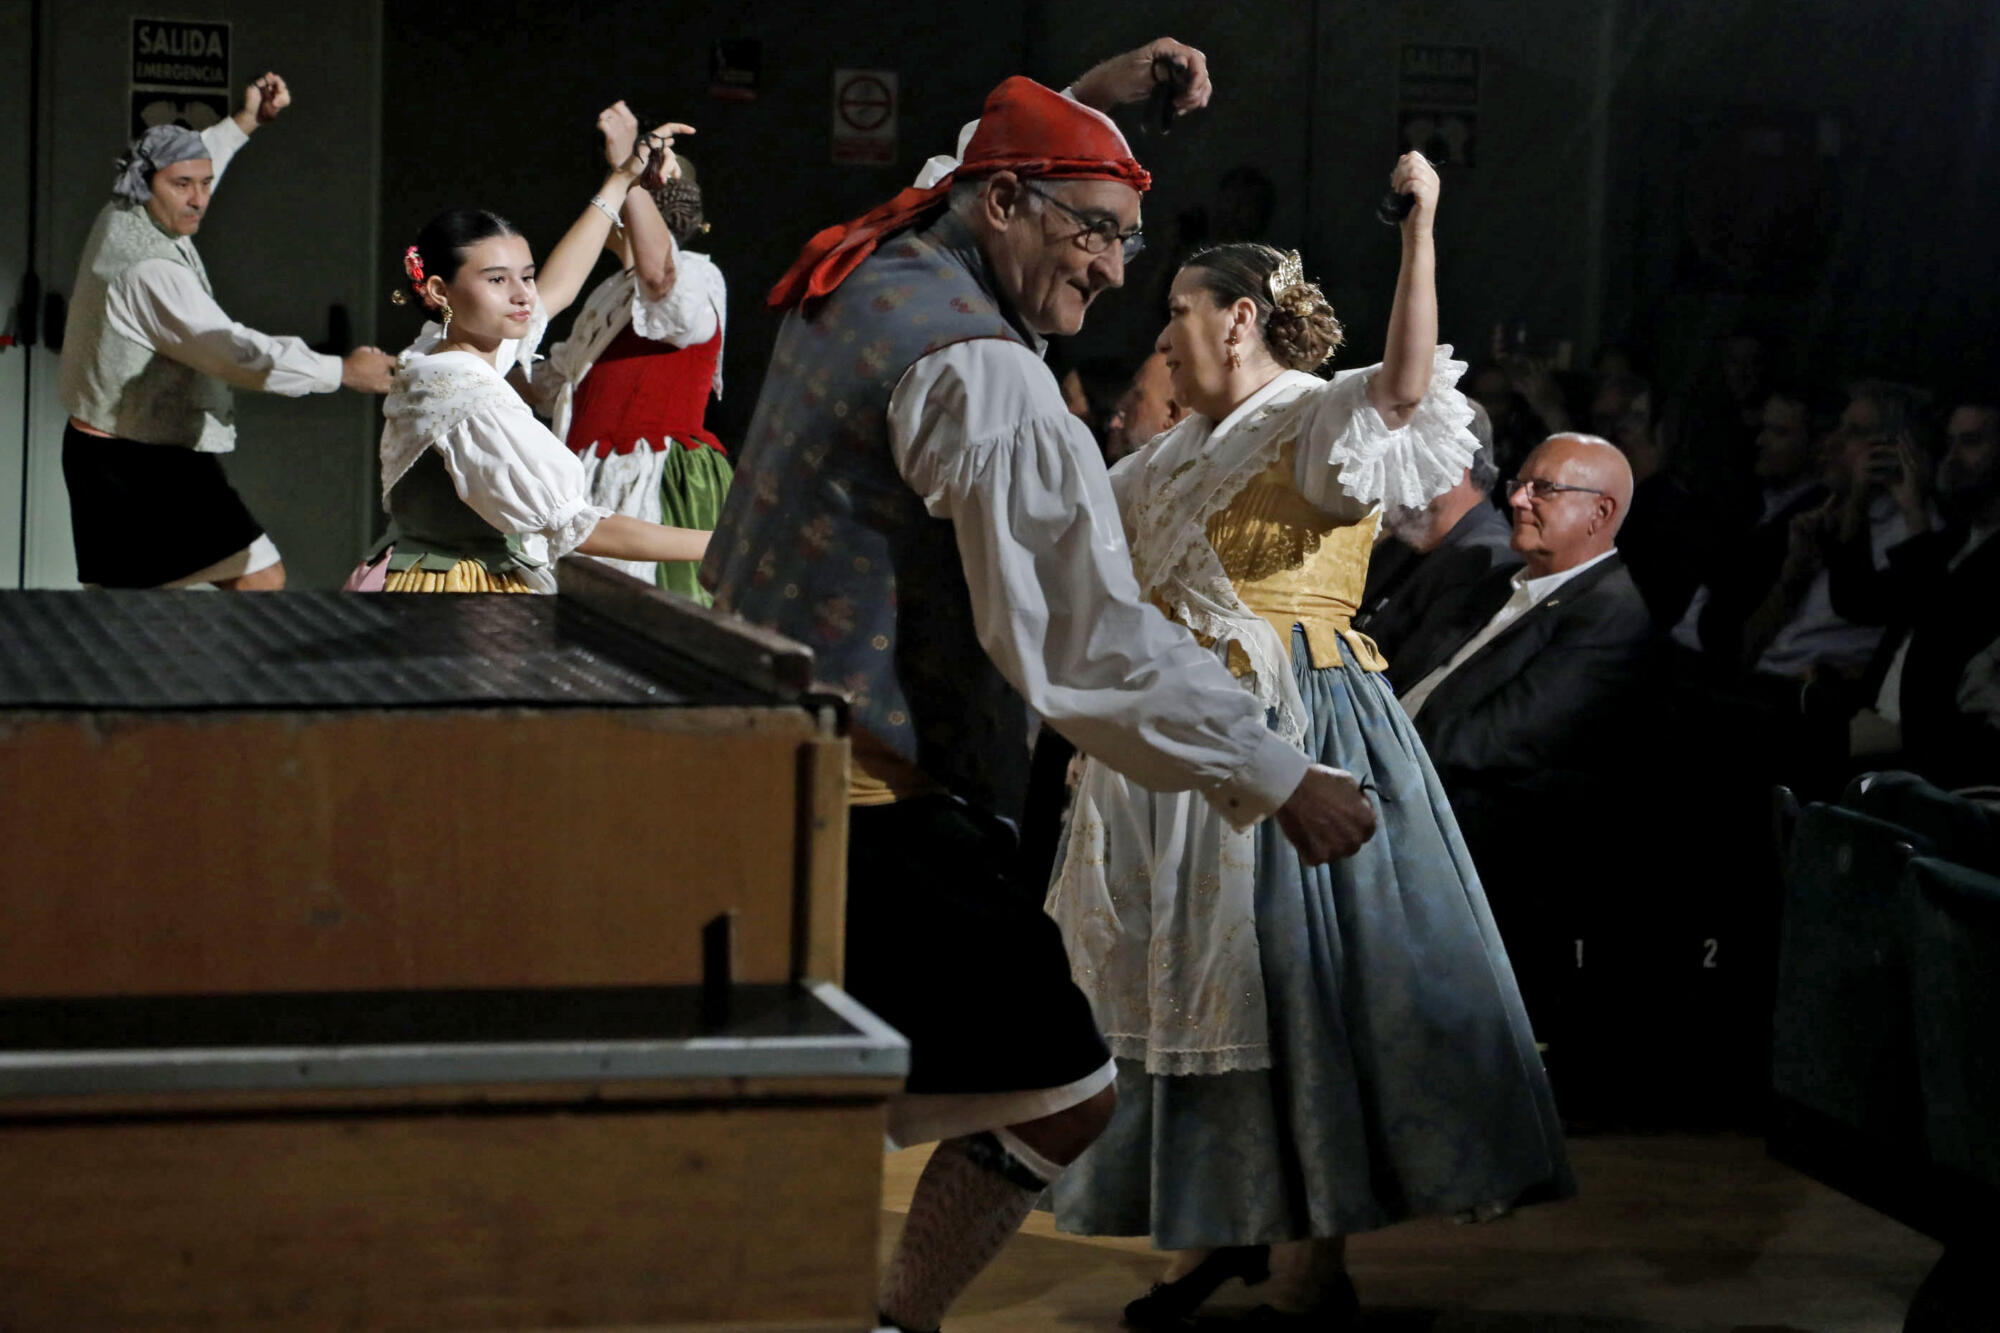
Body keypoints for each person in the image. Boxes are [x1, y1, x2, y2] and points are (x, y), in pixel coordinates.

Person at [701, 42, 1378, 1333]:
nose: (1116, 270)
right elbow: (1083, 642)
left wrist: (1096, 97)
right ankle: (892, 1321)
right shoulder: (986, 374)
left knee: (826, 1086)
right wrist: (1276, 774)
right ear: (1004, 204)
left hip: (758, 753)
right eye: (1097, 232)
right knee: (1064, 1092)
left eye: (1130, 240)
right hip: (867, 794)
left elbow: (968, 155)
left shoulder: (882, 255)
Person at [1045, 162, 1571, 1329]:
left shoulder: (1314, 416)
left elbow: (1401, 387)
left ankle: (1309, 1254)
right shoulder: (1171, 453)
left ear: (1237, 319)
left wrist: (1421, 229)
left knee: (1294, 990)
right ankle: (1209, 1227)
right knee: (1183, 990)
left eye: (1178, 311)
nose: (1161, 336)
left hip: (1296, 721)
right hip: (1178, 738)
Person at [58, 73, 396, 589]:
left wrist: (246, 120)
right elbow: (232, 351)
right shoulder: (150, 272)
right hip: (128, 462)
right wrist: (343, 371)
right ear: (146, 183)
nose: (198, 199)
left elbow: (195, 159)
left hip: (148, 449)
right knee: (174, 599)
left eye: (206, 184)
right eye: (182, 186)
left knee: (252, 578)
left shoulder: (127, 204)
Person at [356, 199, 710, 594]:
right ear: (440, 290)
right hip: (455, 589)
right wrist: (722, 545)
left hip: (415, 568)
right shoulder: (471, 394)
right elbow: (579, 528)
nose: (523, 295)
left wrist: (618, 183)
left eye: (527, 277)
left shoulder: (433, 354)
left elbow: (558, 289)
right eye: (497, 280)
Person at [534, 103, 731, 602]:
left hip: (653, 479)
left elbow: (660, 278)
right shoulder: (607, 294)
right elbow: (550, 383)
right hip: (592, 483)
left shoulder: (696, 274)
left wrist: (628, 171)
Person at [1356, 401, 1520, 662]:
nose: (1389, 484)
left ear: (1455, 467)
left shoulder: (1487, 565)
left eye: (1405, 465)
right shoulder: (1404, 540)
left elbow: (1407, 672)